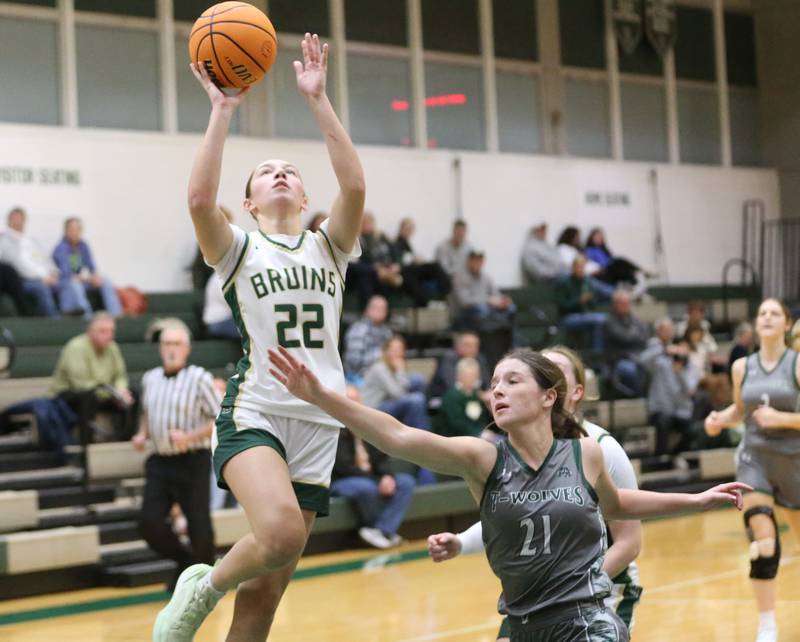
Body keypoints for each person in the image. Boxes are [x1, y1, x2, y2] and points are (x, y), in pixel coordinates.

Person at [268, 345, 748, 642]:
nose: (496, 390)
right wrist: (322, 397)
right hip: (522, 624)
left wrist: (696, 499)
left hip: (587, 619)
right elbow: (396, 436)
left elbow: (618, 506)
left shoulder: (588, 453)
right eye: (493, 383)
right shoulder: (484, 459)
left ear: (548, 396)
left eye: (512, 381)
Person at [152, 34, 366, 642]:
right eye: (267, 172)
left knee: (268, 590)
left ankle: (224, 598)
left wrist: (319, 99)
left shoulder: (330, 245)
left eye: (290, 172)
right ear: (248, 203)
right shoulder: (239, 248)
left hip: (320, 419)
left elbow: (353, 188)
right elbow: (198, 199)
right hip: (258, 408)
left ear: (303, 196)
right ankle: (202, 589)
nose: (280, 175)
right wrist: (222, 110)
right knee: (278, 536)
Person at [428, 345, 644, 640]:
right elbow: (516, 515)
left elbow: (629, 541)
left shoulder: (600, 447)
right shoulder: (521, 447)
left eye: (556, 372)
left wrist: (570, 588)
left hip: (601, 590)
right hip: (536, 603)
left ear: (571, 391)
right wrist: (461, 542)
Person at [705, 298, 800, 642]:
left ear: (787, 324)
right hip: (754, 459)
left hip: (794, 462)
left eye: (775, 313)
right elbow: (740, 410)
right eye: (762, 313)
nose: (767, 317)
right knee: (763, 544)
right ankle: (767, 624)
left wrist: (783, 419)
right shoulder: (742, 367)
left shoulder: (797, 364)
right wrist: (719, 419)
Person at [132, 322, 220, 592]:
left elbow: (220, 418)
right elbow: (147, 412)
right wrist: (141, 433)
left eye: (176, 344)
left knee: (199, 526)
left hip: (192, 458)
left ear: (187, 349)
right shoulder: (150, 378)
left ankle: (207, 582)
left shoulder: (200, 377)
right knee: (149, 522)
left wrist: (189, 437)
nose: (171, 349)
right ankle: (184, 561)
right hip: (160, 460)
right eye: (166, 344)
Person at [332, 385, 416, 549]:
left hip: (371, 478)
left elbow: (381, 458)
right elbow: (344, 467)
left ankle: (381, 530)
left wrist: (387, 476)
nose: (354, 406)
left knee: (406, 482)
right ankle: (381, 530)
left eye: (357, 401)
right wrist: (378, 481)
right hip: (342, 481)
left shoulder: (368, 427)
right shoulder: (335, 429)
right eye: (350, 401)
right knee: (366, 488)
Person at [50, 311, 135, 439]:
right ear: (90, 331)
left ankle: (126, 439)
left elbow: (120, 375)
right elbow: (81, 384)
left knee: (133, 395)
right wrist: (113, 394)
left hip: (102, 393)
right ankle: (86, 447)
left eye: (111, 331)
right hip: (67, 395)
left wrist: (121, 391)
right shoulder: (76, 347)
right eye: (103, 331)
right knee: (88, 397)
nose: (109, 335)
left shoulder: (112, 347)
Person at [640, 318, 700, 456]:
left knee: (693, 431)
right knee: (663, 422)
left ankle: (676, 456)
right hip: (660, 410)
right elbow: (643, 360)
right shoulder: (660, 361)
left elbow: (689, 390)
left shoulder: (691, 368)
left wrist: (679, 373)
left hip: (680, 412)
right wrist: (664, 349)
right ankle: (661, 460)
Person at [52, 217, 122, 318]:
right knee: (75, 285)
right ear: (65, 231)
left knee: (105, 280)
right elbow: (66, 274)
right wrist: (87, 278)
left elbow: (91, 267)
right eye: (72, 229)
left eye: (77, 229)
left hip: (81, 280)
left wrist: (95, 276)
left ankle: (116, 314)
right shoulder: (60, 248)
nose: (75, 232)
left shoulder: (83, 245)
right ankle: (87, 316)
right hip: (65, 282)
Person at [0, 207, 60, 316]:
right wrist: (43, 278)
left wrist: (54, 273)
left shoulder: (31, 240)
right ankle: (54, 320)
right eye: (15, 218)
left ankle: (75, 315)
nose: (18, 222)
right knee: (41, 287)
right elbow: (17, 265)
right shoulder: (5, 240)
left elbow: (46, 258)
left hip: (47, 277)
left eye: (21, 219)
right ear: (9, 220)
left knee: (69, 284)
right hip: (27, 279)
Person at [362, 335, 430, 430]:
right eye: (394, 350)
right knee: (416, 399)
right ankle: (423, 437)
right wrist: (400, 371)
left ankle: (414, 424)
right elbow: (398, 394)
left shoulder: (393, 367)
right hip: (375, 408)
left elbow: (402, 387)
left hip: (389, 402)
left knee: (418, 379)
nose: (398, 353)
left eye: (400, 349)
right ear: (386, 351)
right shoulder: (380, 368)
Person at [345, 212, 402, 309]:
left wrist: (396, 264)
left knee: (387, 283)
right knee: (366, 279)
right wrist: (375, 270)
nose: (367, 225)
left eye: (369, 223)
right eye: (364, 223)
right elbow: (353, 264)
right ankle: (367, 313)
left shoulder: (381, 236)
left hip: (384, 270)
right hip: (365, 272)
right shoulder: (355, 239)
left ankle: (385, 314)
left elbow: (394, 252)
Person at [391, 217, 450, 306]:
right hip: (406, 270)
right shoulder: (396, 243)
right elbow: (399, 262)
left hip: (412, 269)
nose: (409, 231)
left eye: (411, 229)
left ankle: (444, 294)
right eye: (407, 228)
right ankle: (429, 300)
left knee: (435, 266)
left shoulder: (407, 244)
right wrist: (414, 260)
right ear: (401, 229)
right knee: (432, 268)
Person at [451, 250, 515, 332]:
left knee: (511, 308)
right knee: (481, 309)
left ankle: (510, 342)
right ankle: (484, 340)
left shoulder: (486, 277)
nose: (478, 263)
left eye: (480, 260)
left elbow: (495, 294)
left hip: (486, 308)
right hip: (463, 314)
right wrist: (487, 301)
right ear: (469, 261)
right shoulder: (459, 277)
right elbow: (465, 302)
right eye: (475, 260)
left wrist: (502, 300)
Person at [556, 255, 607, 353]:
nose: (580, 270)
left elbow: (593, 305)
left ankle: (598, 353)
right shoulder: (565, 283)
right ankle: (597, 354)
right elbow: (563, 305)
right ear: (573, 268)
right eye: (578, 267)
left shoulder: (587, 282)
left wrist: (591, 299)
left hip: (585, 314)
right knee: (600, 320)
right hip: (568, 317)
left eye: (582, 267)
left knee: (605, 319)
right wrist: (579, 301)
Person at [603, 289, 649, 397]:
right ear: (615, 304)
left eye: (628, 303)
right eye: (622, 303)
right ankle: (639, 397)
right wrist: (635, 335)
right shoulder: (609, 321)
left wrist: (634, 335)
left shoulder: (634, 319)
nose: (626, 306)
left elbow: (645, 336)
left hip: (638, 356)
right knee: (632, 371)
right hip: (618, 360)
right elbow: (624, 338)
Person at [432, 357, 491, 439]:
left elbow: (481, 419)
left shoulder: (476, 395)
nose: (471, 378)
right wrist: (479, 433)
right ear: (459, 376)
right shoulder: (452, 396)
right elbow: (457, 424)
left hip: (477, 436)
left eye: (474, 375)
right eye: (468, 375)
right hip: (454, 439)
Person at [426, 331, 491, 402]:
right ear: (458, 346)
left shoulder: (480, 359)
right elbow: (453, 386)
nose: (472, 349)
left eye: (475, 345)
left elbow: (487, 383)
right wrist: (480, 394)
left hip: (474, 399)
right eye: (468, 345)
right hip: (444, 398)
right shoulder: (449, 358)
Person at [342, 294, 393, 383]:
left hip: (384, 375)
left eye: (383, 309)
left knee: (416, 380)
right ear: (367, 310)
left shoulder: (387, 331)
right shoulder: (358, 330)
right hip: (359, 378)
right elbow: (353, 362)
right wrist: (380, 355)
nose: (379, 311)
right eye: (376, 308)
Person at [203, 272, 239, 340]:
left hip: (227, 320)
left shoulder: (229, 273)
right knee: (247, 328)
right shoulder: (219, 276)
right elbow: (232, 303)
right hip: (216, 322)